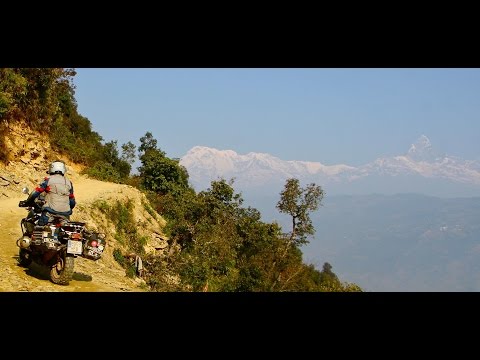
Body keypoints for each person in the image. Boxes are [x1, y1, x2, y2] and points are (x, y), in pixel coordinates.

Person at [24, 160, 76, 226]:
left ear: (51, 168)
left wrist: (28, 201)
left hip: (50, 213)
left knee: (40, 228)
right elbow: (72, 201)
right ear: (63, 169)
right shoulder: (69, 182)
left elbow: (36, 192)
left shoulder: (48, 179)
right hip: (65, 214)